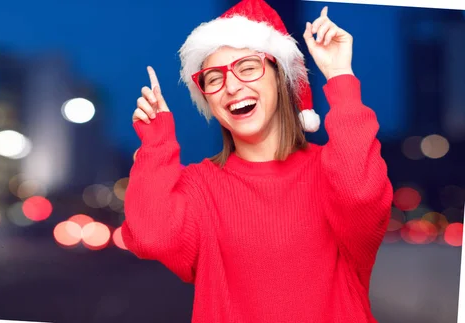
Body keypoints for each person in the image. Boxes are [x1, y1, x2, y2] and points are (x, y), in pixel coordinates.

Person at [122, 0, 393, 322]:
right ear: (207, 99)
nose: (232, 86)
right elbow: (151, 237)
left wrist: (339, 75)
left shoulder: (330, 170)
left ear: (280, 77)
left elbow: (359, 194)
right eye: (213, 79)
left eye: (248, 67)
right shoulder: (200, 185)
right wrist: (156, 145)